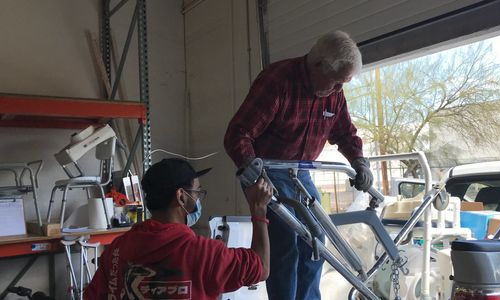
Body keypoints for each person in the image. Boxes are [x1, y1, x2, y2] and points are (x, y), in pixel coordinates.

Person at [223, 31, 373, 300]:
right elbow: (238, 133)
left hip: (301, 173)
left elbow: (345, 132)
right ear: (318, 65)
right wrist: (252, 170)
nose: (339, 89)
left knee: (316, 241)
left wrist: (359, 161)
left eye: (343, 84)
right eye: (337, 81)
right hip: (269, 170)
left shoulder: (334, 94)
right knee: (286, 243)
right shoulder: (278, 81)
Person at [84, 158, 272, 300]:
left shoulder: (118, 249)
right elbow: (261, 268)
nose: (198, 199)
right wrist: (259, 211)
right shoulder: (203, 254)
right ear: (181, 197)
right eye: (197, 193)